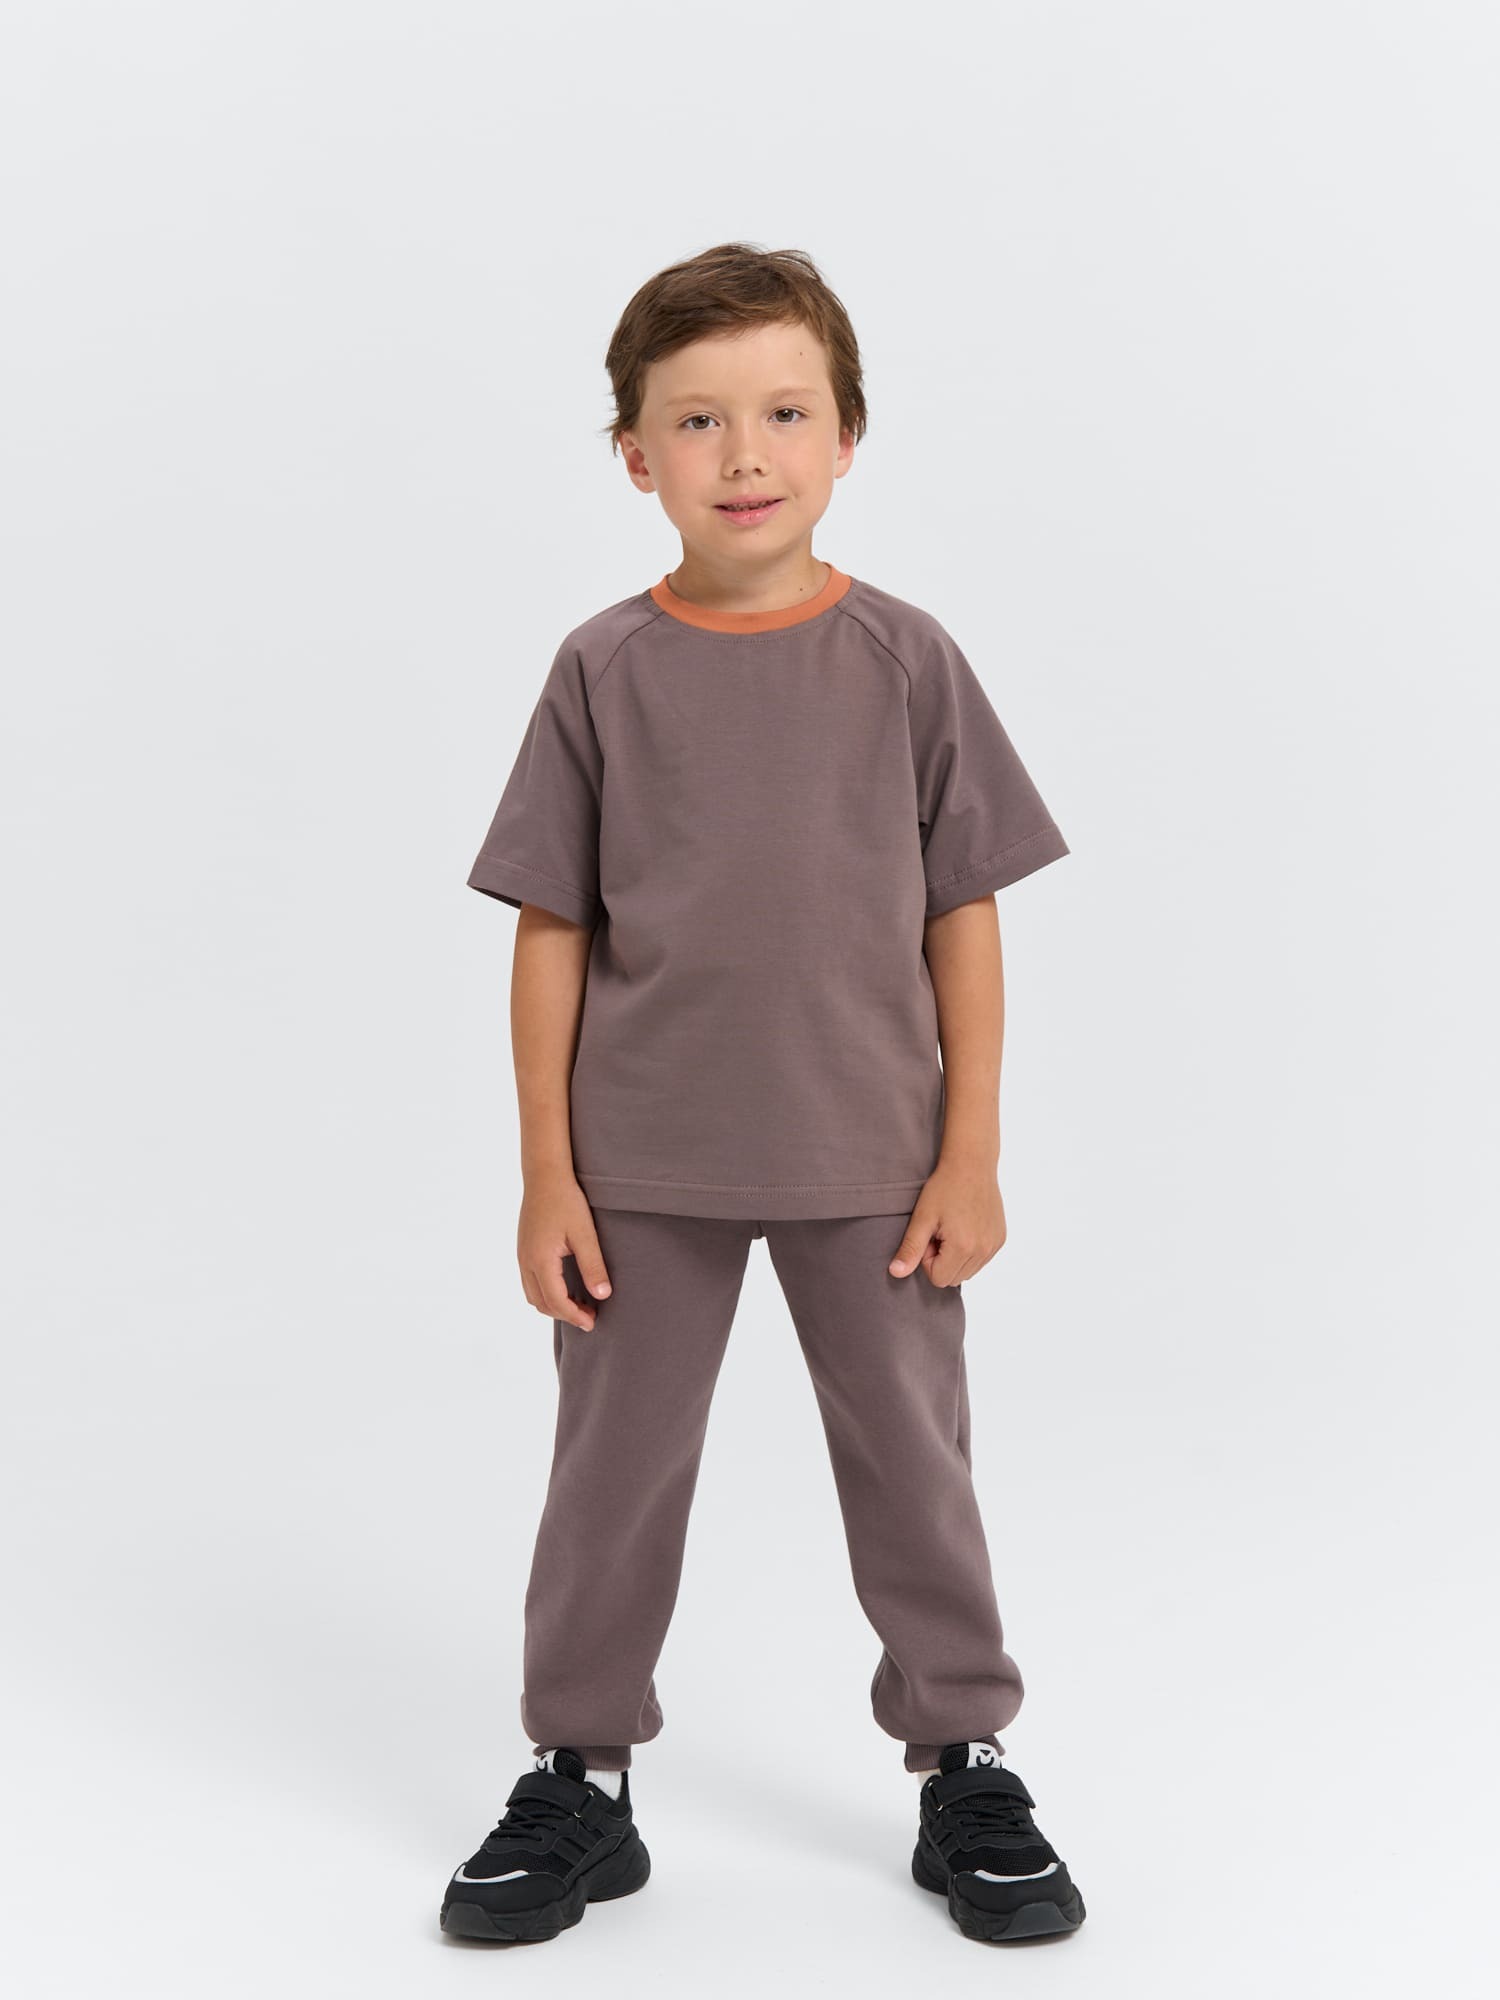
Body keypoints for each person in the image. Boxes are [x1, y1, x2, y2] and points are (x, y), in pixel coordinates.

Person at [439, 242, 1085, 1947]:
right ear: (633, 455)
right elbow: (553, 930)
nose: (746, 455)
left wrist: (970, 1151)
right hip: (639, 1164)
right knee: (610, 1478)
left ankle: (964, 1756)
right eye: (699, 420)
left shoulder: (907, 660)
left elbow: (963, 915)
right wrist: (547, 1174)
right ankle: (581, 1774)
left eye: (787, 414)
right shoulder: (601, 670)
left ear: (848, 436)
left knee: (914, 1465)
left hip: (873, 1156)